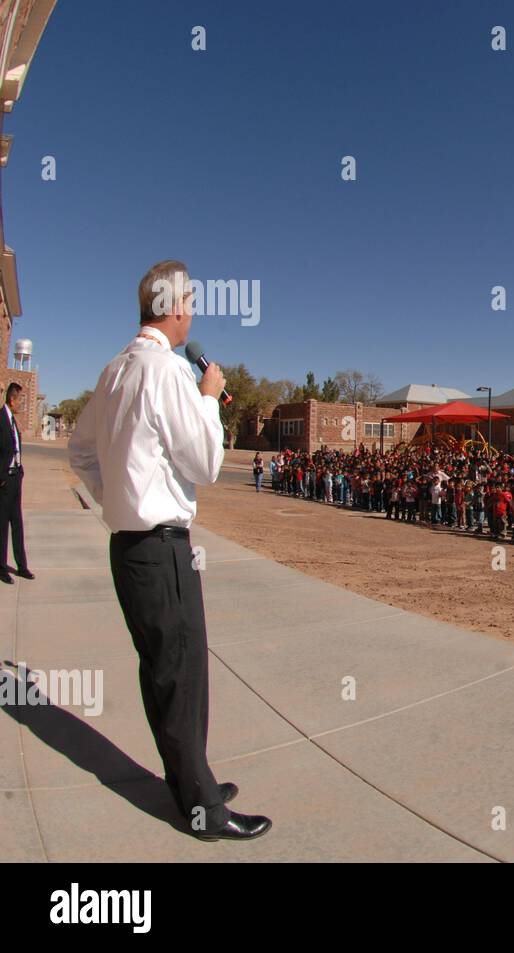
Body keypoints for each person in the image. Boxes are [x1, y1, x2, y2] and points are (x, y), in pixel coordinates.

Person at [67, 260, 271, 842]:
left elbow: (81, 455)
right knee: (182, 673)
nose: (194, 313)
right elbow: (206, 464)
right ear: (175, 308)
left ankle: (189, 778)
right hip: (161, 550)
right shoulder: (169, 372)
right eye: (192, 303)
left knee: (164, 671)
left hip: (129, 549)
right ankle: (201, 807)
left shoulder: (113, 371)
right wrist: (209, 396)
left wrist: (121, 501)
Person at [0, 382, 33, 583]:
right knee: (2, 526)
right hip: (5, 481)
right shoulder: (1, 419)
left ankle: (22, 566)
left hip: (16, 479)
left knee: (17, 524)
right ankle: (2, 568)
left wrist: (20, 472)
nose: (21, 403)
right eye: (20, 399)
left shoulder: (13, 421)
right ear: (12, 399)